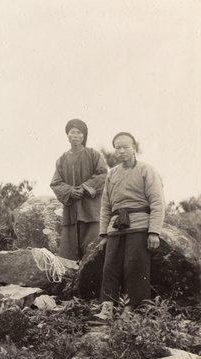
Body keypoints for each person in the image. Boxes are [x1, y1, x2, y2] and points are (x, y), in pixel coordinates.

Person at [95, 132, 165, 320]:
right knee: (110, 267)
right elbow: (106, 206)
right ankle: (107, 310)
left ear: (134, 147)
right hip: (115, 228)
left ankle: (130, 311)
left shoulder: (146, 170)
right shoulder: (113, 174)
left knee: (134, 267)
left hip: (140, 226)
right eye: (118, 147)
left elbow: (157, 202)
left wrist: (154, 232)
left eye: (126, 146)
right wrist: (103, 235)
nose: (122, 151)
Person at [51, 119, 107, 261]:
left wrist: (85, 187)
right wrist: (70, 191)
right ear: (67, 136)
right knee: (69, 255)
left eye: (78, 132)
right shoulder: (61, 160)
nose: (75, 135)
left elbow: (103, 174)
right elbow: (56, 183)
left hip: (91, 211)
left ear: (83, 136)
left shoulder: (93, 154)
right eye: (72, 132)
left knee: (93, 251)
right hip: (71, 213)